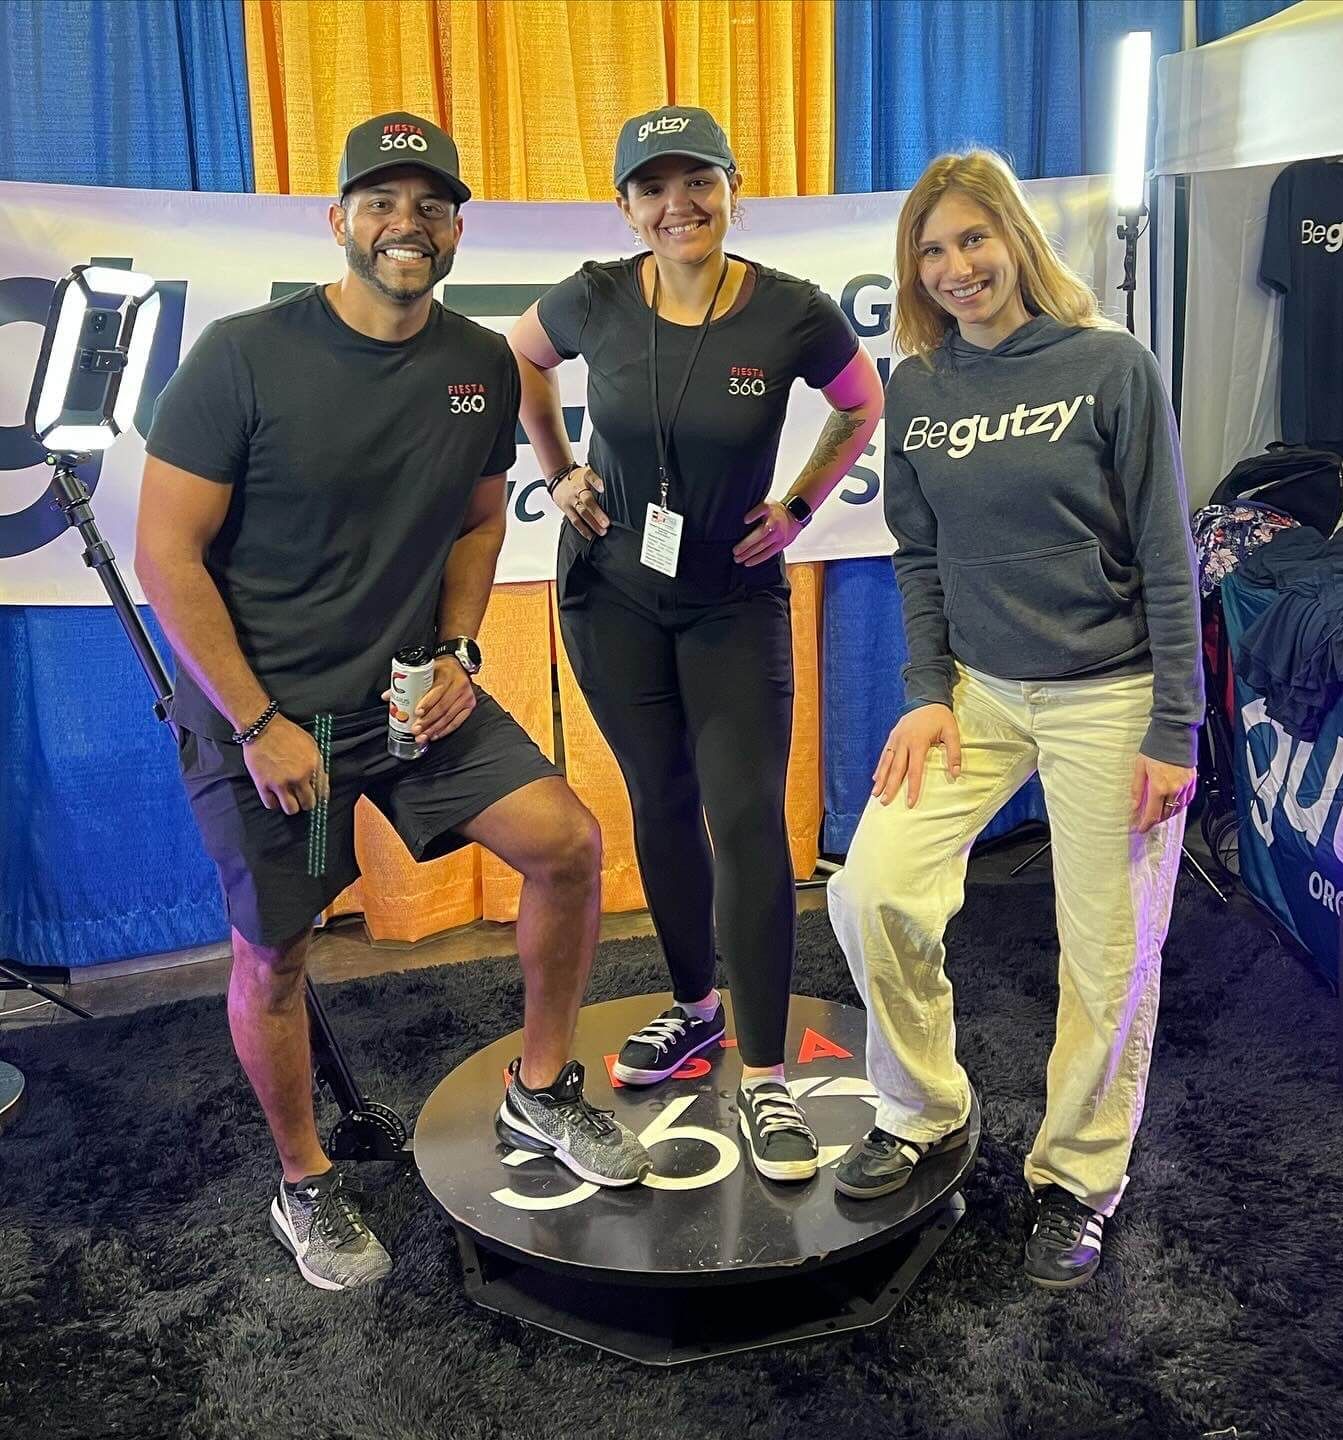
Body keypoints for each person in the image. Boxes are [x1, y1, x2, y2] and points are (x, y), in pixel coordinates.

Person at [136, 112, 651, 1293]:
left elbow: (478, 523)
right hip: (270, 720)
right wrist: (258, 722)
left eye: (430, 205)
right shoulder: (242, 356)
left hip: (415, 703)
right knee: (275, 956)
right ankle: (304, 1182)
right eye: (381, 200)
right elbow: (168, 554)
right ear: (339, 220)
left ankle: (539, 1095)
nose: (404, 224)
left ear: (459, 228)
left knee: (567, 846)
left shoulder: (476, 366)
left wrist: (460, 648)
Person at [827, 151, 1202, 1288]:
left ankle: (1079, 1179)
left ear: (1017, 241)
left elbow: (1171, 558)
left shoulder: (1109, 365)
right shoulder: (922, 387)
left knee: (1105, 955)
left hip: (1112, 693)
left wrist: (1174, 729)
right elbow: (922, 554)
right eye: (931, 251)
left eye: (972, 241)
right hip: (982, 693)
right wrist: (926, 695)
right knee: (872, 886)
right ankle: (925, 1107)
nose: (955, 267)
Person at [508, 106, 883, 1182]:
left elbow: (861, 404)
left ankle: (764, 1080)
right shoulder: (595, 297)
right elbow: (522, 360)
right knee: (658, 804)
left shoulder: (791, 313)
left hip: (731, 599)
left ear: (732, 188)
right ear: (626, 207)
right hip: (612, 597)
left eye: (698, 182)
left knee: (748, 817)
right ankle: (696, 1012)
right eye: (654, 187)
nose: (679, 205)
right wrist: (557, 466)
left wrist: (802, 505)